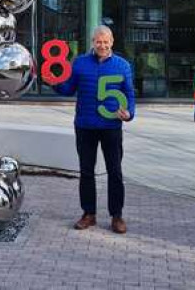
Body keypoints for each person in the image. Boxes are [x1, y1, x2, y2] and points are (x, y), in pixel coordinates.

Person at [52, 25, 136, 234]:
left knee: (115, 172)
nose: (102, 45)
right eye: (98, 41)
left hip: (111, 127)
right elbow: (68, 89)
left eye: (105, 41)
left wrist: (130, 113)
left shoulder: (122, 65)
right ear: (93, 42)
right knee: (86, 172)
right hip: (85, 126)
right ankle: (88, 214)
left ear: (112, 42)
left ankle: (117, 216)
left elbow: (129, 94)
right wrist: (53, 81)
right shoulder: (79, 63)